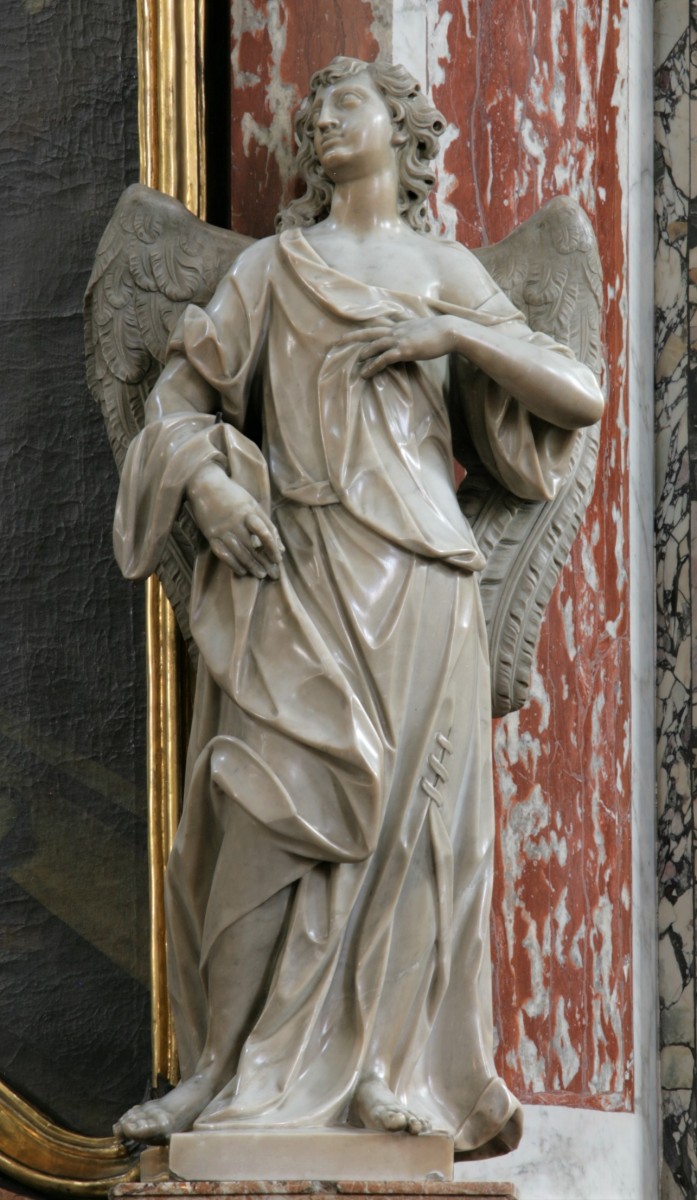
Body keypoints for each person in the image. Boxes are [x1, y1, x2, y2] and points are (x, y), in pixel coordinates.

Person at [113, 56, 603, 1155]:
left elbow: (580, 391)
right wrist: (212, 485)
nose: (315, 124)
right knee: (262, 820)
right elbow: (173, 401)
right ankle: (220, 1076)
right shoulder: (277, 269)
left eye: (341, 105)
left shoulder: (446, 268)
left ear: (398, 126)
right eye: (308, 114)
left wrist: (457, 335)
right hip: (295, 571)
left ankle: (389, 1070)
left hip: (425, 578)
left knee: (415, 839)